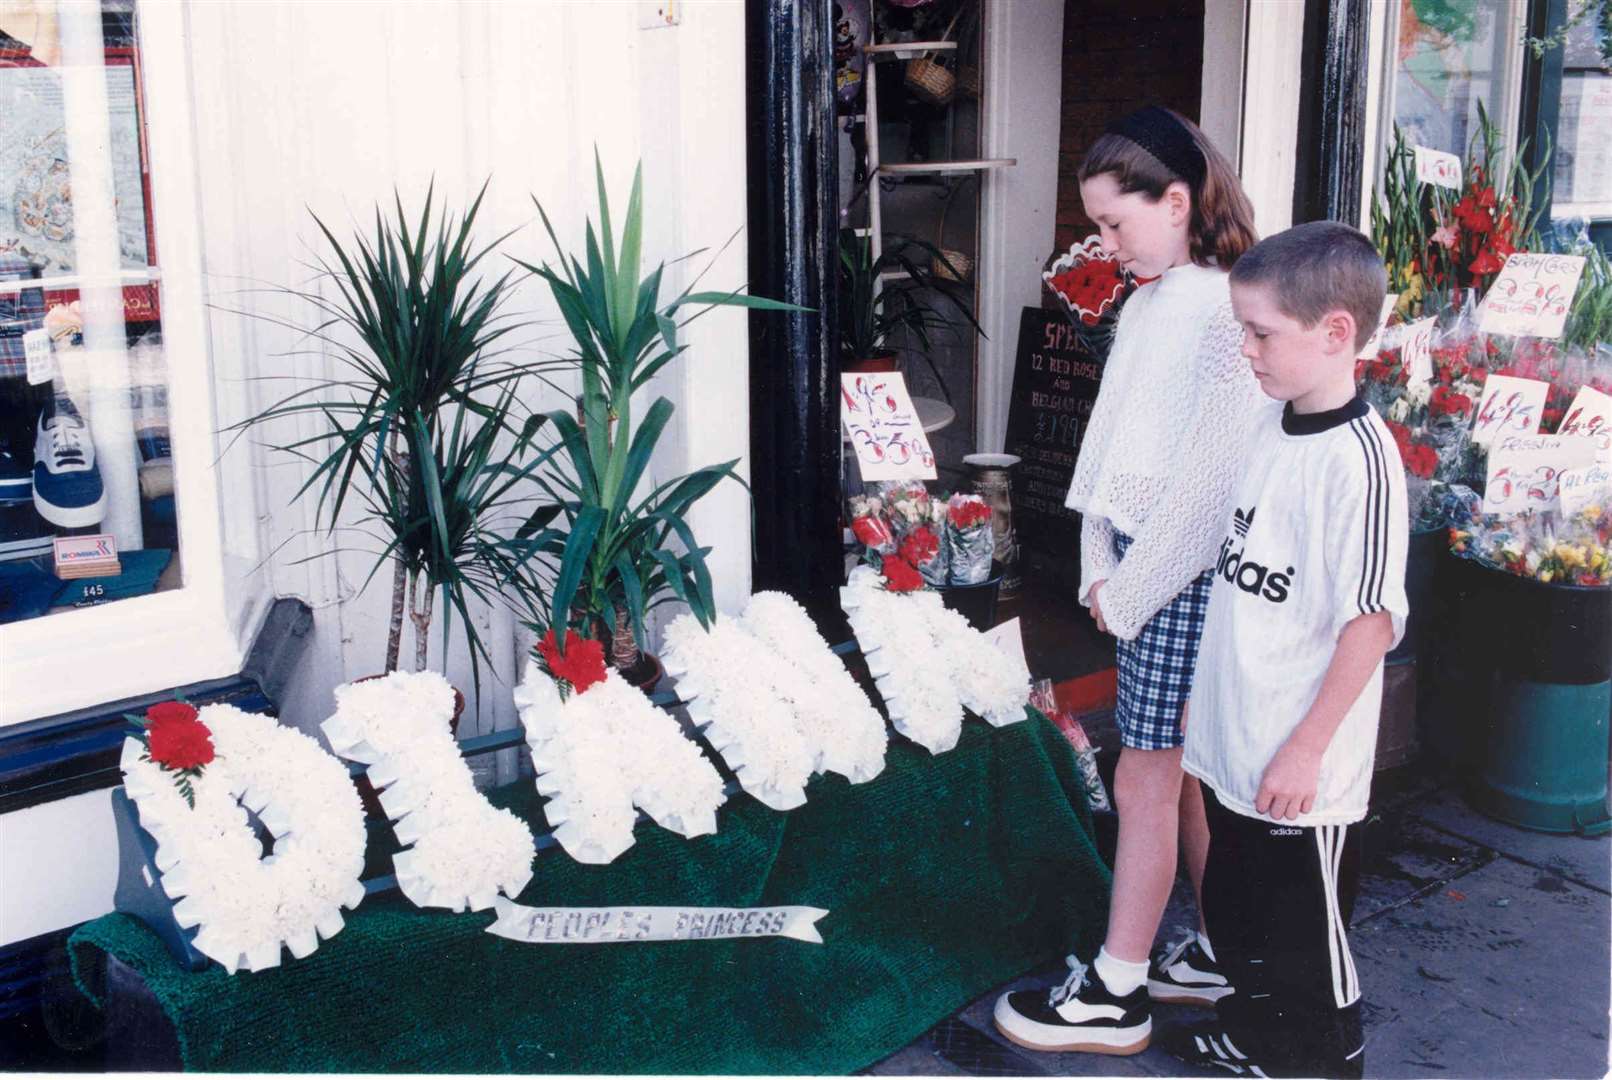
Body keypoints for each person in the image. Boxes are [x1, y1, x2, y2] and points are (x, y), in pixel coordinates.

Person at [994, 105, 1264, 1056]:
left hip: (1181, 581)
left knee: (1147, 778)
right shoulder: (1154, 299)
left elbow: (1207, 484)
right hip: (1147, 576)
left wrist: (1130, 587)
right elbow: (1113, 455)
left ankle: (1117, 989)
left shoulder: (1226, 306)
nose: (1102, 243)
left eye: (1115, 223)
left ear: (1179, 200)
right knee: (1175, 780)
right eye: (1095, 226)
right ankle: (1226, 949)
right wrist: (1101, 567)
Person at [1163, 221, 1409, 1079]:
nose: (1248, 350)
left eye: (1262, 333)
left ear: (1336, 332)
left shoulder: (1360, 464)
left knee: (1307, 934)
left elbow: (1372, 621)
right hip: (1237, 737)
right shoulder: (1272, 429)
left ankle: (1323, 1062)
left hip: (1300, 762)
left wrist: (1306, 746)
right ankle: (1256, 1032)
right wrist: (1209, 693)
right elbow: (1245, 579)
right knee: (1237, 912)